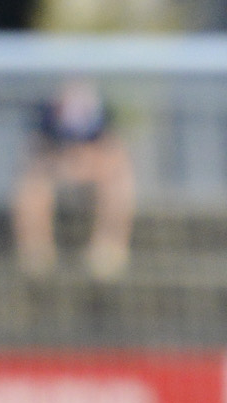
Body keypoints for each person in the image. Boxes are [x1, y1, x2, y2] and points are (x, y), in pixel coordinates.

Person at [11, 79, 135, 280]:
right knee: (32, 186)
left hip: (95, 172)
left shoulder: (104, 113)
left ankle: (108, 253)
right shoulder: (45, 114)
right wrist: (64, 165)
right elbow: (36, 153)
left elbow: (113, 153)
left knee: (120, 184)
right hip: (56, 172)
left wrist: (86, 164)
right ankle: (36, 255)